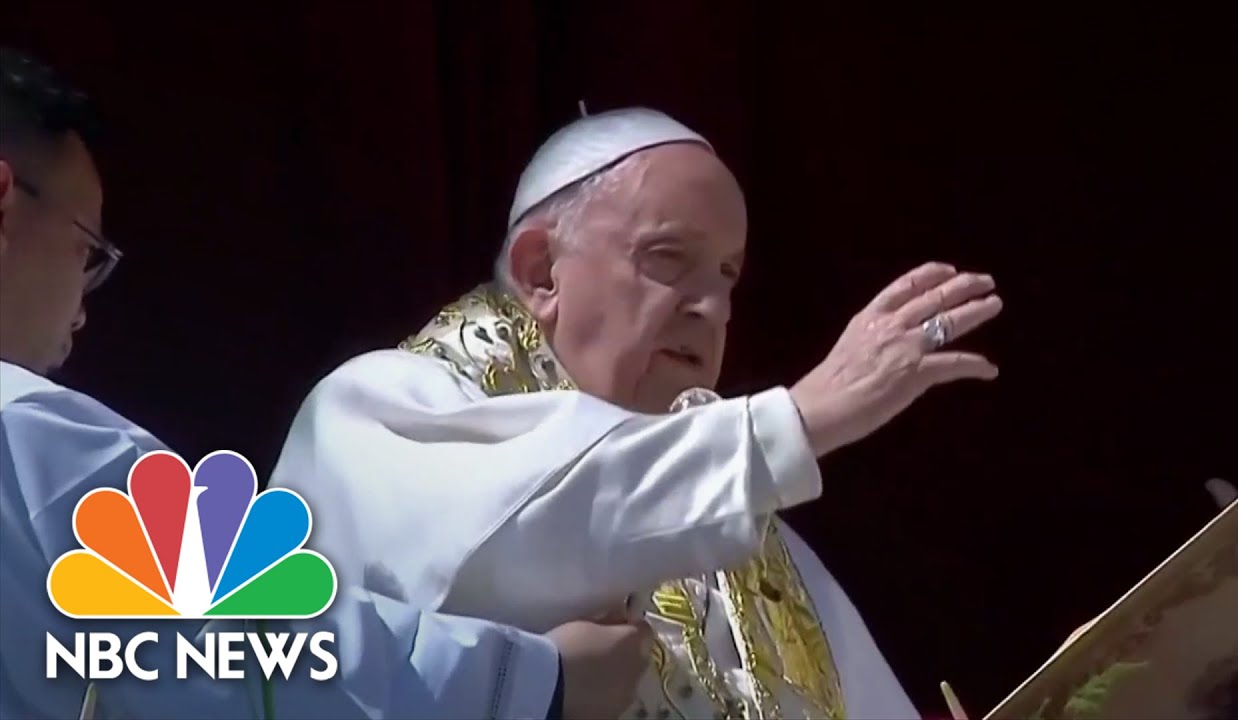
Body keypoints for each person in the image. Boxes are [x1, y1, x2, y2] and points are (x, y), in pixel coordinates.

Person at [270, 107, 1003, 719]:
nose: (712, 308)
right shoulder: (375, 413)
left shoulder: (751, 538)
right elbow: (523, 532)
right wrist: (800, 420)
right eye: (668, 259)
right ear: (540, 271)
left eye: (727, 276)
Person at [0, 46, 647, 720]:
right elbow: (258, 646)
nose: (82, 304)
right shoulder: (30, 436)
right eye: (86, 252)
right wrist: (539, 682)